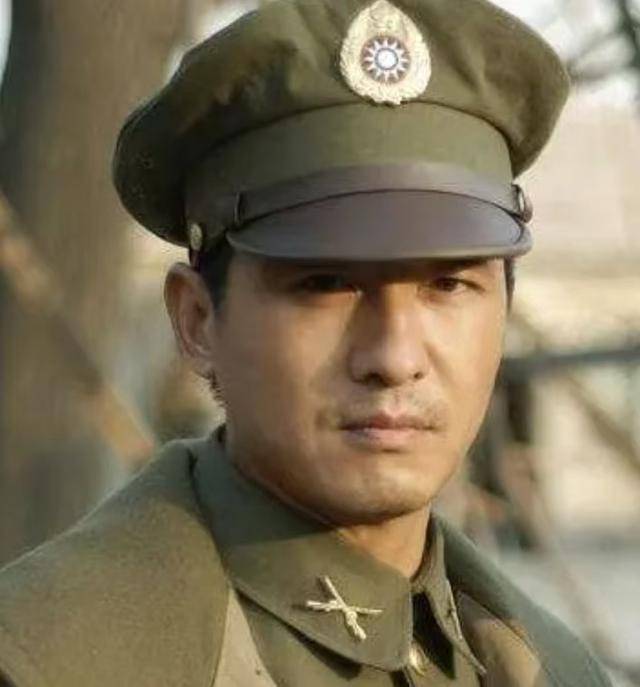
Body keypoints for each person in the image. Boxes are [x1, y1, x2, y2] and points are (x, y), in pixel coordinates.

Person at [0, 0, 613, 685]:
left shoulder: (549, 668)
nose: (394, 357)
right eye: (325, 284)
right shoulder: (53, 660)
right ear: (197, 321)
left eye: (447, 284)